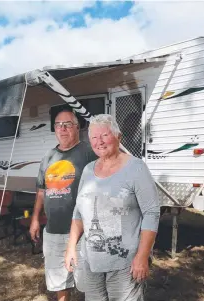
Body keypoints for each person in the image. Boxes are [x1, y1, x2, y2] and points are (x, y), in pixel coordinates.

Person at [64, 114, 161, 301]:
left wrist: (142, 256)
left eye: (104, 136)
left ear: (118, 136)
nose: (99, 142)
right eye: (94, 137)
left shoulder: (136, 168)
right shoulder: (87, 170)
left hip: (124, 262)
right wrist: (71, 247)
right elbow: (78, 211)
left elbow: (151, 213)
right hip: (90, 260)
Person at [29, 107, 98, 301]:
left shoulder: (88, 152)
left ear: (77, 128)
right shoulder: (48, 157)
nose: (63, 129)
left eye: (68, 124)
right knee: (59, 281)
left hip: (83, 232)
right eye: (58, 125)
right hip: (53, 231)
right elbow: (41, 192)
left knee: (88, 282)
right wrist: (35, 219)